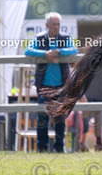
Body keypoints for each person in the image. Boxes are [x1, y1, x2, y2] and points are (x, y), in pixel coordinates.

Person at [25, 12, 77, 153]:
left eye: (58, 24)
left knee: (60, 118)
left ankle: (59, 148)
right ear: (46, 25)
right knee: (42, 118)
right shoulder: (39, 38)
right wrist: (45, 54)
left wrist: (57, 51)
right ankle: (42, 148)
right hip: (43, 86)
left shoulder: (65, 38)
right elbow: (28, 51)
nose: (56, 27)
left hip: (61, 86)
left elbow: (74, 50)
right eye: (53, 24)